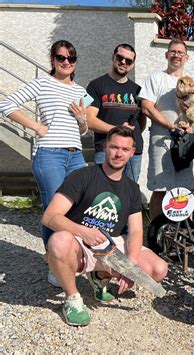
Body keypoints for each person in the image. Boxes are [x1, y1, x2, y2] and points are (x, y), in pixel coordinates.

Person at [41, 126, 168, 326]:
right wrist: (83, 231)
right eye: (114, 147)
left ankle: (99, 276)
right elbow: (49, 217)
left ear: (132, 153)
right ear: (105, 147)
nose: (118, 154)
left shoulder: (132, 189)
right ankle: (72, 298)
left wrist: (130, 265)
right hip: (80, 242)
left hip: (111, 244)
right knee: (58, 241)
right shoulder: (83, 176)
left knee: (158, 269)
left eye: (125, 150)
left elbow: (135, 230)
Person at [0, 40, 88, 284]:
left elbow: (82, 130)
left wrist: (82, 120)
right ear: (52, 60)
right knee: (54, 211)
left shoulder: (80, 91)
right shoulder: (42, 83)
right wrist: (36, 126)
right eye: (61, 58)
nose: (66, 62)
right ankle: (55, 265)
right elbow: (6, 105)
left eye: (71, 58)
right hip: (49, 154)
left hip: (76, 154)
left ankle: (72, 257)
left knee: (81, 207)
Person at [139, 39, 194, 221]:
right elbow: (147, 107)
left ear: (186, 58)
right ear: (166, 55)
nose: (176, 55)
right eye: (173, 51)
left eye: (180, 52)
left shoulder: (193, 83)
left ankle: (184, 235)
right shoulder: (156, 78)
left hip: (184, 143)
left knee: (184, 190)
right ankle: (157, 233)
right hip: (161, 139)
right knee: (160, 188)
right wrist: (172, 126)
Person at [86, 43, 146, 182]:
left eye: (129, 61)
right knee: (103, 193)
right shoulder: (96, 85)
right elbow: (89, 120)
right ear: (113, 57)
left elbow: (141, 122)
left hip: (133, 152)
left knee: (129, 194)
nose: (123, 62)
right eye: (120, 57)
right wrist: (118, 131)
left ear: (132, 65)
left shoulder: (137, 90)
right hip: (106, 150)